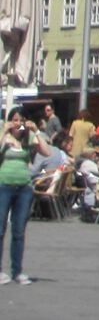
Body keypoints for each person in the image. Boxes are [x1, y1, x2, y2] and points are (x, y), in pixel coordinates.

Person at [1, 108, 51, 285]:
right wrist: (4, 133)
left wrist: (36, 131)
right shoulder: (4, 136)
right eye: (15, 120)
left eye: (21, 120)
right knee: (0, 230)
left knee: (19, 231)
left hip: (24, 187)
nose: (18, 124)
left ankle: (17, 271)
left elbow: (47, 152)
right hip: (4, 185)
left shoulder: (28, 137)